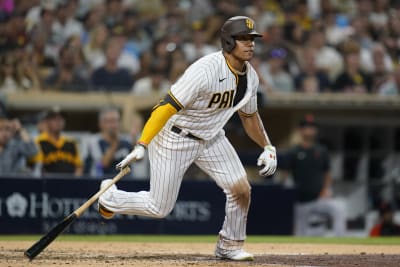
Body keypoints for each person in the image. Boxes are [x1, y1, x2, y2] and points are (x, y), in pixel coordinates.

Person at [98, 16, 277, 261]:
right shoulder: (205, 70)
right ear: (227, 41)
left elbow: (249, 116)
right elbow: (165, 106)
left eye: (252, 39)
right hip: (175, 137)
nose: (250, 44)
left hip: (211, 137)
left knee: (241, 189)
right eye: (243, 39)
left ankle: (230, 245)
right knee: (159, 207)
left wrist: (267, 145)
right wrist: (142, 143)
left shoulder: (251, 78)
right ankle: (110, 197)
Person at [278, 114, 346, 236]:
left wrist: (326, 189)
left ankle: (340, 242)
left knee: (339, 209)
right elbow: (284, 174)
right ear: (300, 130)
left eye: (312, 127)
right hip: (301, 201)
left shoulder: (321, 150)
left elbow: (327, 172)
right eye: (306, 127)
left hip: (319, 198)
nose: (309, 130)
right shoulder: (294, 151)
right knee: (300, 233)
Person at [31, 107, 83, 176]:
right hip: (47, 183)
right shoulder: (38, 141)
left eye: (61, 119)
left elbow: (79, 167)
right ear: (47, 121)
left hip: (70, 182)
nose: (58, 121)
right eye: (54, 119)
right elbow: (38, 167)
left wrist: (75, 181)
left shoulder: (71, 142)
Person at [84, 107, 132, 178]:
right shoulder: (94, 143)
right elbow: (102, 164)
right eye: (110, 121)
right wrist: (115, 143)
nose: (114, 125)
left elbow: (139, 160)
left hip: (126, 183)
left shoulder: (126, 142)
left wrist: (135, 140)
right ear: (101, 124)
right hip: (104, 183)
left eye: (116, 121)